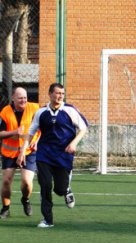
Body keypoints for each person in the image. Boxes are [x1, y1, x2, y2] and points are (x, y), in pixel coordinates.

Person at [17, 83, 88, 228]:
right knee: (45, 185)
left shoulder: (70, 110)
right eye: (57, 93)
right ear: (50, 94)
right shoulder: (41, 112)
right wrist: (23, 151)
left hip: (63, 155)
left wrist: (73, 143)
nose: (60, 96)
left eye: (62, 93)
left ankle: (66, 190)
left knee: (59, 189)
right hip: (45, 154)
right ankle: (47, 220)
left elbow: (83, 128)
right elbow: (30, 133)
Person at [0, 87, 40, 219]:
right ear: (13, 98)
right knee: (6, 181)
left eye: (25, 97)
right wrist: (14, 132)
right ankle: (6, 208)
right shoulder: (5, 112)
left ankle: (25, 199)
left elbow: (43, 127)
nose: (23, 100)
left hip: (28, 151)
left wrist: (38, 141)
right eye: (20, 97)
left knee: (27, 182)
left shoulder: (35, 108)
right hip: (9, 152)